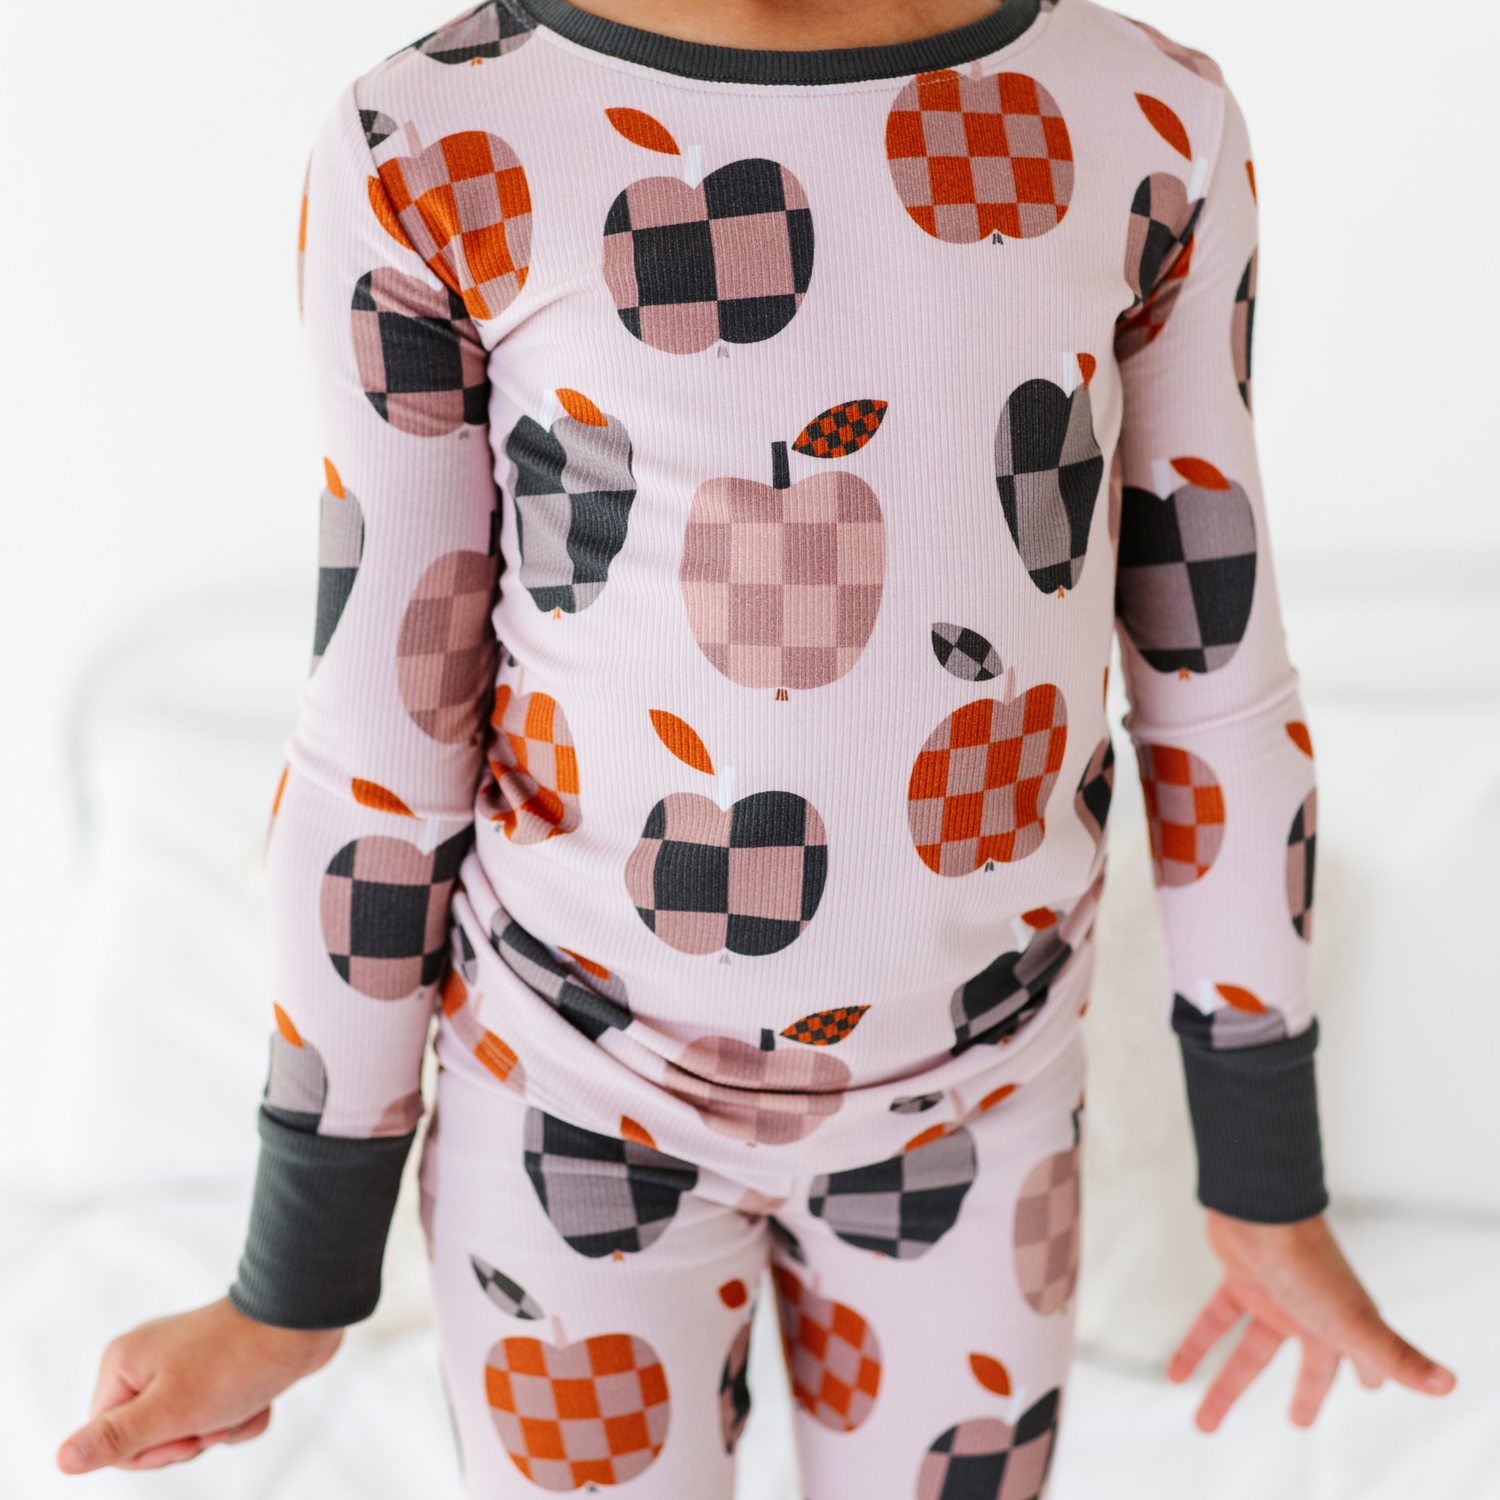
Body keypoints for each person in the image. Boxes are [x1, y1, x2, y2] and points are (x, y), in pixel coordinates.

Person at [58, 0, 1456, 1492]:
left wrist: (1264, 1175)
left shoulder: (1146, 116)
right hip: (567, 1098)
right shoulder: (431, 137)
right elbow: (386, 734)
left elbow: (1212, 671)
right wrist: (296, 1278)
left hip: (984, 1103)